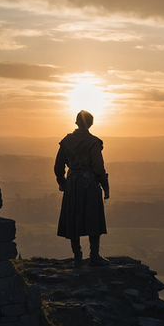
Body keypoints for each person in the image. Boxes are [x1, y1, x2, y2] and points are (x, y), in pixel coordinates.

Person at [54, 110, 110, 267]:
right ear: (91, 124)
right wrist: (105, 186)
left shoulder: (66, 142)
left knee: (73, 218)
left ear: (76, 122)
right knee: (93, 217)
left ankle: (77, 255)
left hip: (72, 184)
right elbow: (99, 167)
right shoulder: (93, 143)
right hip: (89, 184)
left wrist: (62, 182)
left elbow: (58, 166)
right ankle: (94, 254)